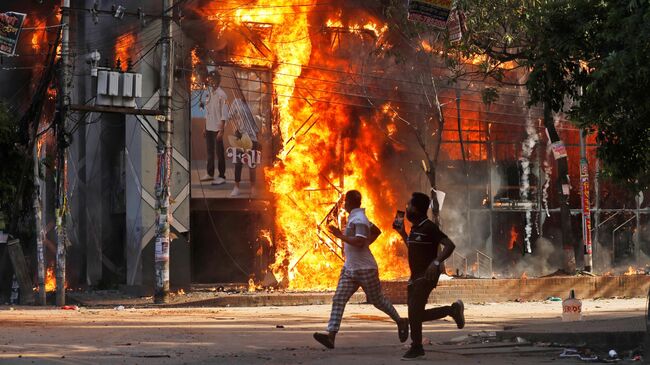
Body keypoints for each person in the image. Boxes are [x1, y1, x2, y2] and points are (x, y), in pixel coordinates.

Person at [313, 190, 409, 349]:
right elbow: (376, 231)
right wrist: (366, 243)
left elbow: (358, 242)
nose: (343, 204)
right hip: (350, 269)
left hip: (365, 269)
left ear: (349, 203)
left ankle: (401, 321)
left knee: (378, 301)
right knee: (339, 299)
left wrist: (339, 235)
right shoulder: (356, 217)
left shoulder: (359, 220)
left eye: (345, 202)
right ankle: (331, 336)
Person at [394, 192, 465, 360]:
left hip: (426, 276)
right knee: (415, 315)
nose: (407, 208)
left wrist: (436, 263)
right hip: (415, 276)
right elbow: (413, 248)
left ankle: (417, 346)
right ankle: (452, 310)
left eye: (409, 205)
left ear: (417, 209)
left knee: (414, 313)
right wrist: (403, 233)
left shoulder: (429, 227)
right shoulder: (415, 228)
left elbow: (449, 245)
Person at [200, 71, 229, 185]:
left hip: (217, 129)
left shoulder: (222, 95)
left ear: (217, 80)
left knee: (219, 153)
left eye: (212, 79)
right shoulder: (209, 94)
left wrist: (222, 130)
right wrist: (204, 127)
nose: (210, 81)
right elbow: (207, 113)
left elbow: (224, 114)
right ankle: (210, 174)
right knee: (210, 152)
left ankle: (222, 176)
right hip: (209, 127)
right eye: (209, 80)